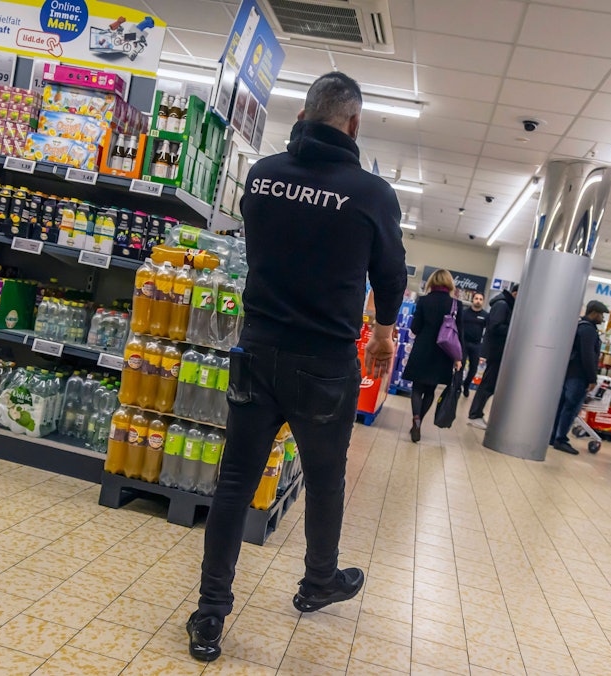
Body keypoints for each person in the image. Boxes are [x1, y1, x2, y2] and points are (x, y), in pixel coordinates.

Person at [186, 72, 407, 662]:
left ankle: (209, 612)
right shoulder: (371, 194)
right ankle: (318, 581)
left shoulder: (261, 177)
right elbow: (390, 276)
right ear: (354, 123)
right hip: (325, 365)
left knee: (234, 484)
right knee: (326, 478)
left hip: (256, 350)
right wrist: (382, 335)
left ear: (306, 112)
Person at [401, 270, 463, 442]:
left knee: (417, 388)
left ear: (432, 281)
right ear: (449, 283)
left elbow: (414, 327)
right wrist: (459, 358)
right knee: (430, 390)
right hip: (443, 353)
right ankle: (419, 421)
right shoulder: (455, 304)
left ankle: (416, 419)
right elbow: (460, 333)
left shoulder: (424, 300)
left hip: (422, 348)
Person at [550, 300, 607, 454]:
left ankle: (553, 436)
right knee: (571, 408)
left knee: (563, 406)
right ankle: (560, 439)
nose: (602, 318)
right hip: (579, 375)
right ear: (594, 313)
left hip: (570, 373)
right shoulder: (588, 330)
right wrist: (592, 378)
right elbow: (587, 355)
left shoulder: (580, 326)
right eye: (601, 315)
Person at [467, 284, 519, 429]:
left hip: (498, 351)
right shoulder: (502, 305)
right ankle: (475, 414)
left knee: (490, 384)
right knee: (488, 384)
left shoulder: (504, 304)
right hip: (496, 351)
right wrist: (515, 328)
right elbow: (495, 326)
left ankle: (477, 413)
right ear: (515, 294)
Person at [462, 292, 488, 397]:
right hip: (463, 343)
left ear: (483, 301)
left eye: (480, 299)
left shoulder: (485, 315)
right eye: (476, 298)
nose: (478, 300)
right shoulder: (464, 313)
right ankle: (457, 386)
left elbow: (488, 332)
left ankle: (466, 384)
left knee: (473, 368)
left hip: (476, 345)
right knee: (461, 365)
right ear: (473, 300)